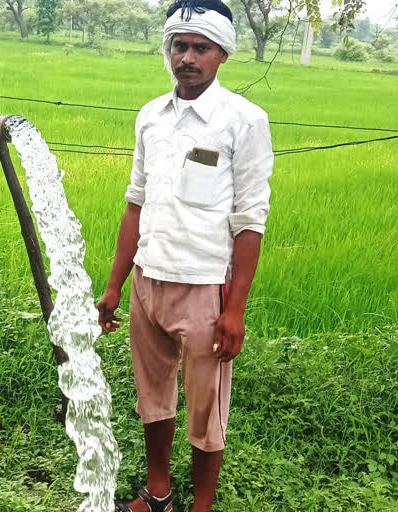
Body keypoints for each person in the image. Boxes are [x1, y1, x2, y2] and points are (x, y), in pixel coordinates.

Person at [96, 1, 273, 510]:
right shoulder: (151, 116)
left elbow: (250, 220)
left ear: (222, 55)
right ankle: (158, 495)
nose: (188, 57)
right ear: (168, 50)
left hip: (204, 288)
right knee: (152, 397)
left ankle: (201, 506)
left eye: (201, 47)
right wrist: (115, 285)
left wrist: (234, 309)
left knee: (205, 411)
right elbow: (136, 203)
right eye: (179, 46)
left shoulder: (242, 120)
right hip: (149, 281)